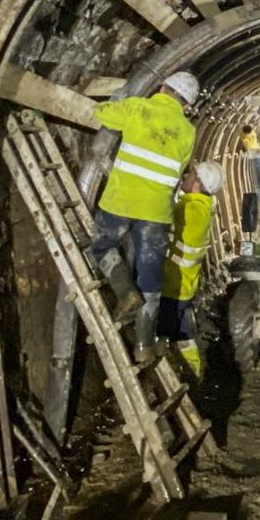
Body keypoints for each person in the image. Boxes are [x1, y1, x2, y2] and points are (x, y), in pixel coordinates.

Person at [90, 71, 199, 361]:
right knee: (151, 280)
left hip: (121, 202)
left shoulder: (138, 108)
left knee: (101, 246)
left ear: (162, 87)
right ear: (187, 105)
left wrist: (116, 99)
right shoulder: (188, 131)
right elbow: (181, 167)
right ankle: (144, 347)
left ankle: (125, 291)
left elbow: (101, 113)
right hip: (156, 213)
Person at [157, 160, 225, 377]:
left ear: (197, 183)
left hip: (171, 286)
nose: (184, 176)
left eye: (189, 174)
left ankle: (166, 378)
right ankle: (194, 374)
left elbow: (158, 215)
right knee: (184, 334)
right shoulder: (203, 207)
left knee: (162, 335)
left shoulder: (190, 210)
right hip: (185, 286)